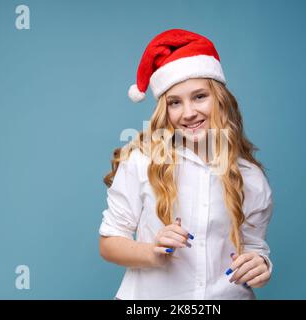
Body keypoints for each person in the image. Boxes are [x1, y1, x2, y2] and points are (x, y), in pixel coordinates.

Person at [99, 29, 274, 300]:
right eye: (175, 102)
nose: (189, 112)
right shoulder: (142, 160)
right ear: (164, 110)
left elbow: (253, 247)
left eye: (200, 96)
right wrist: (153, 253)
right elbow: (109, 243)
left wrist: (260, 266)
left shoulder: (250, 176)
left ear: (220, 99)